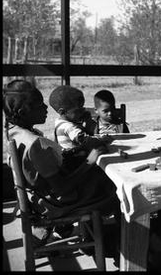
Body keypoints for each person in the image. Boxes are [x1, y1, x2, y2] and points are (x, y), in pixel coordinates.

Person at [3, 80, 120, 254]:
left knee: (98, 177)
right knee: (115, 190)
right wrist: (90, 159)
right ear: (23, 112)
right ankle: (114, 243)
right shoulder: (35, 144)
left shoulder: (14, 131)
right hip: (56, 203)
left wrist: (76, 153)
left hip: (38, 198)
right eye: (39, 105)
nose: (46, 108)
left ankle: (93, 236)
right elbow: (63, 188)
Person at [49, 85, 112, 170]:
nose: (82, 112)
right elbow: (87, 140)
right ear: (62, 112)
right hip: (77, 164)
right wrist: (102, 140)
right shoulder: (68, 127)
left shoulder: (60, 122)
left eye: (82, 108)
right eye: (78, 110)